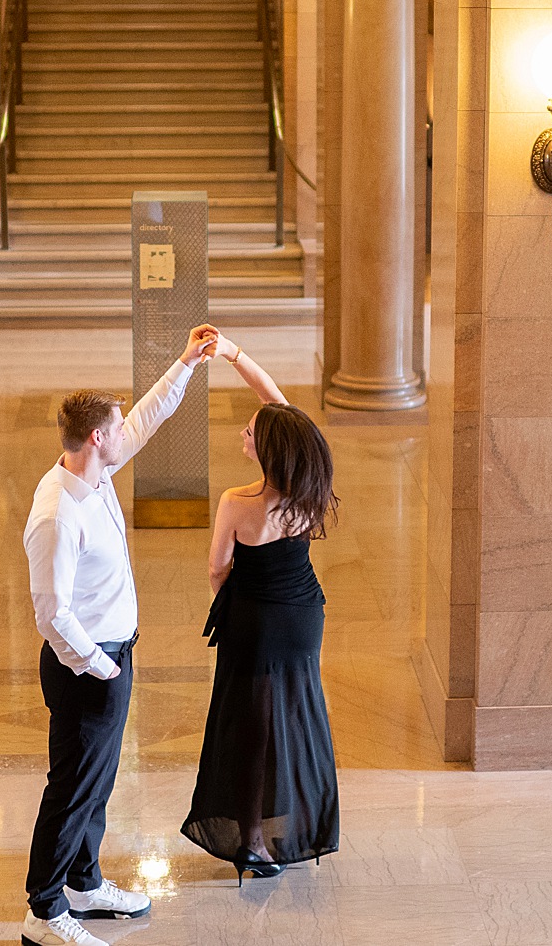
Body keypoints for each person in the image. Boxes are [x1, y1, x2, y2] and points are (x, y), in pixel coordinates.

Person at [19, 323, 219, 946]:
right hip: (86, 669)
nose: (124, 430)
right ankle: (45, 911)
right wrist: (100, 666)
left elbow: (146, 419)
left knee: (98, 784)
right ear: (96, 439)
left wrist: (186, 361)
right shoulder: (57, 514)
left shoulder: (96, 469)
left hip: (111, 657)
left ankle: (84, 883)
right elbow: (51, 612)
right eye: (115, 426)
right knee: (72, 790)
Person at [180, 334, 341, 881]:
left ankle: (252, 842)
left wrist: (230, 605)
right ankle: (298, 826)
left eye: (249, 432)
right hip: (303, 617)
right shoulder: (309, 482)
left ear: (266, 449)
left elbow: (216, 569)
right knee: (297, 717)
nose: (242, 433)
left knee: (250, 731)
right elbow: (281, 409)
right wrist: (233, 354)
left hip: (255, 624)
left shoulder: (237, 502)